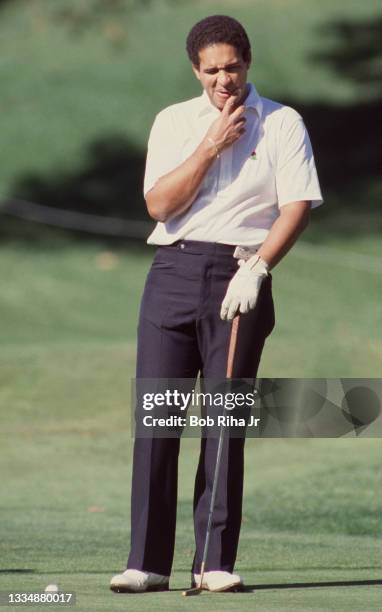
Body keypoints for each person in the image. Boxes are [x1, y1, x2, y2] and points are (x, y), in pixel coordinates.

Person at [110, 14, 323, 594]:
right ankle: (147, 563)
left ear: (247, 63)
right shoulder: (174, 121)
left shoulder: (282, 122)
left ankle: (214, 563)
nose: (222, 80)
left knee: (223, 423)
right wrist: (210, 146)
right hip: (172, 270)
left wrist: (257, 268)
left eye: (231, 67)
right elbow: (159, 204)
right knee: (158, 417)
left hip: (239, 273)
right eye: (211, 71)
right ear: (195, 71)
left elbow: (297, 205)